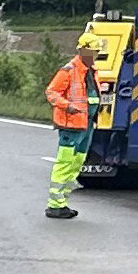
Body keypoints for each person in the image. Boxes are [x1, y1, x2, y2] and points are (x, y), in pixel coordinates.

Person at [44, 36, 102, 219]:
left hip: (86, 125)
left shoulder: (91, 71)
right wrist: (66, 105)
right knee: (65, 163)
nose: (96, 55)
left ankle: (63, 202)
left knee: (77, 162)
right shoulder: (69, 70)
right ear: (83, 51)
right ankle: (55, 204)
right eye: (94, 52)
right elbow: (51, 92)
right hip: (71, 125)